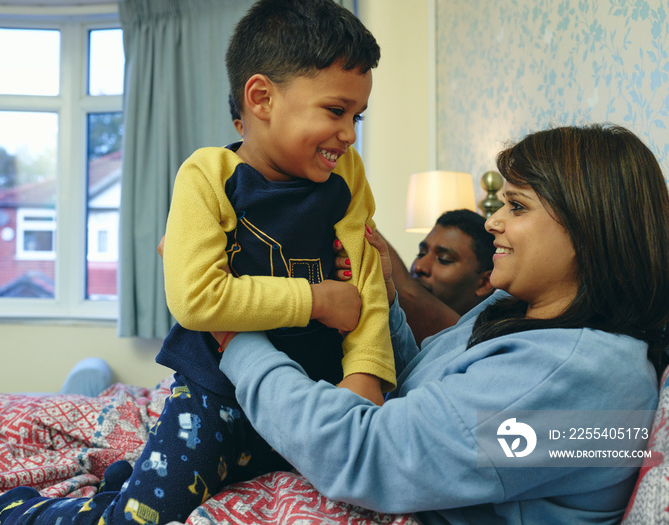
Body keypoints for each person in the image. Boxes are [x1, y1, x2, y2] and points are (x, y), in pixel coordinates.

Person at [0, 1, 395, 523]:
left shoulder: (346, 175)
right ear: (260, 98)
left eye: (358, 116)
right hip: (216, 398)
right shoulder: (209, 175)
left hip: (305, 399)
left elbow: (367, 282)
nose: (350, 133)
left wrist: (367, 374)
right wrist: (318, 300)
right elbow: (197, 300)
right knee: (136, 518)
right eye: (336, 111)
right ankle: (4, 512)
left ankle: (127, 478)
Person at [206, 124, 669, 524]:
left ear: (589, 227)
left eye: (518, 207)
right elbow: (428, 393)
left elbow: (367, 454)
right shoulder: (515, 311)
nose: (493, 223)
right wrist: (383, 302)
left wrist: (237, 340)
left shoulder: (582, 374)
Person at [336, 209, 495, 345]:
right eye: (421, 253)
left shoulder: (481, 339)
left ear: (485, 282)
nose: (419, 266)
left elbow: (407, 292)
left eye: (444, 259)